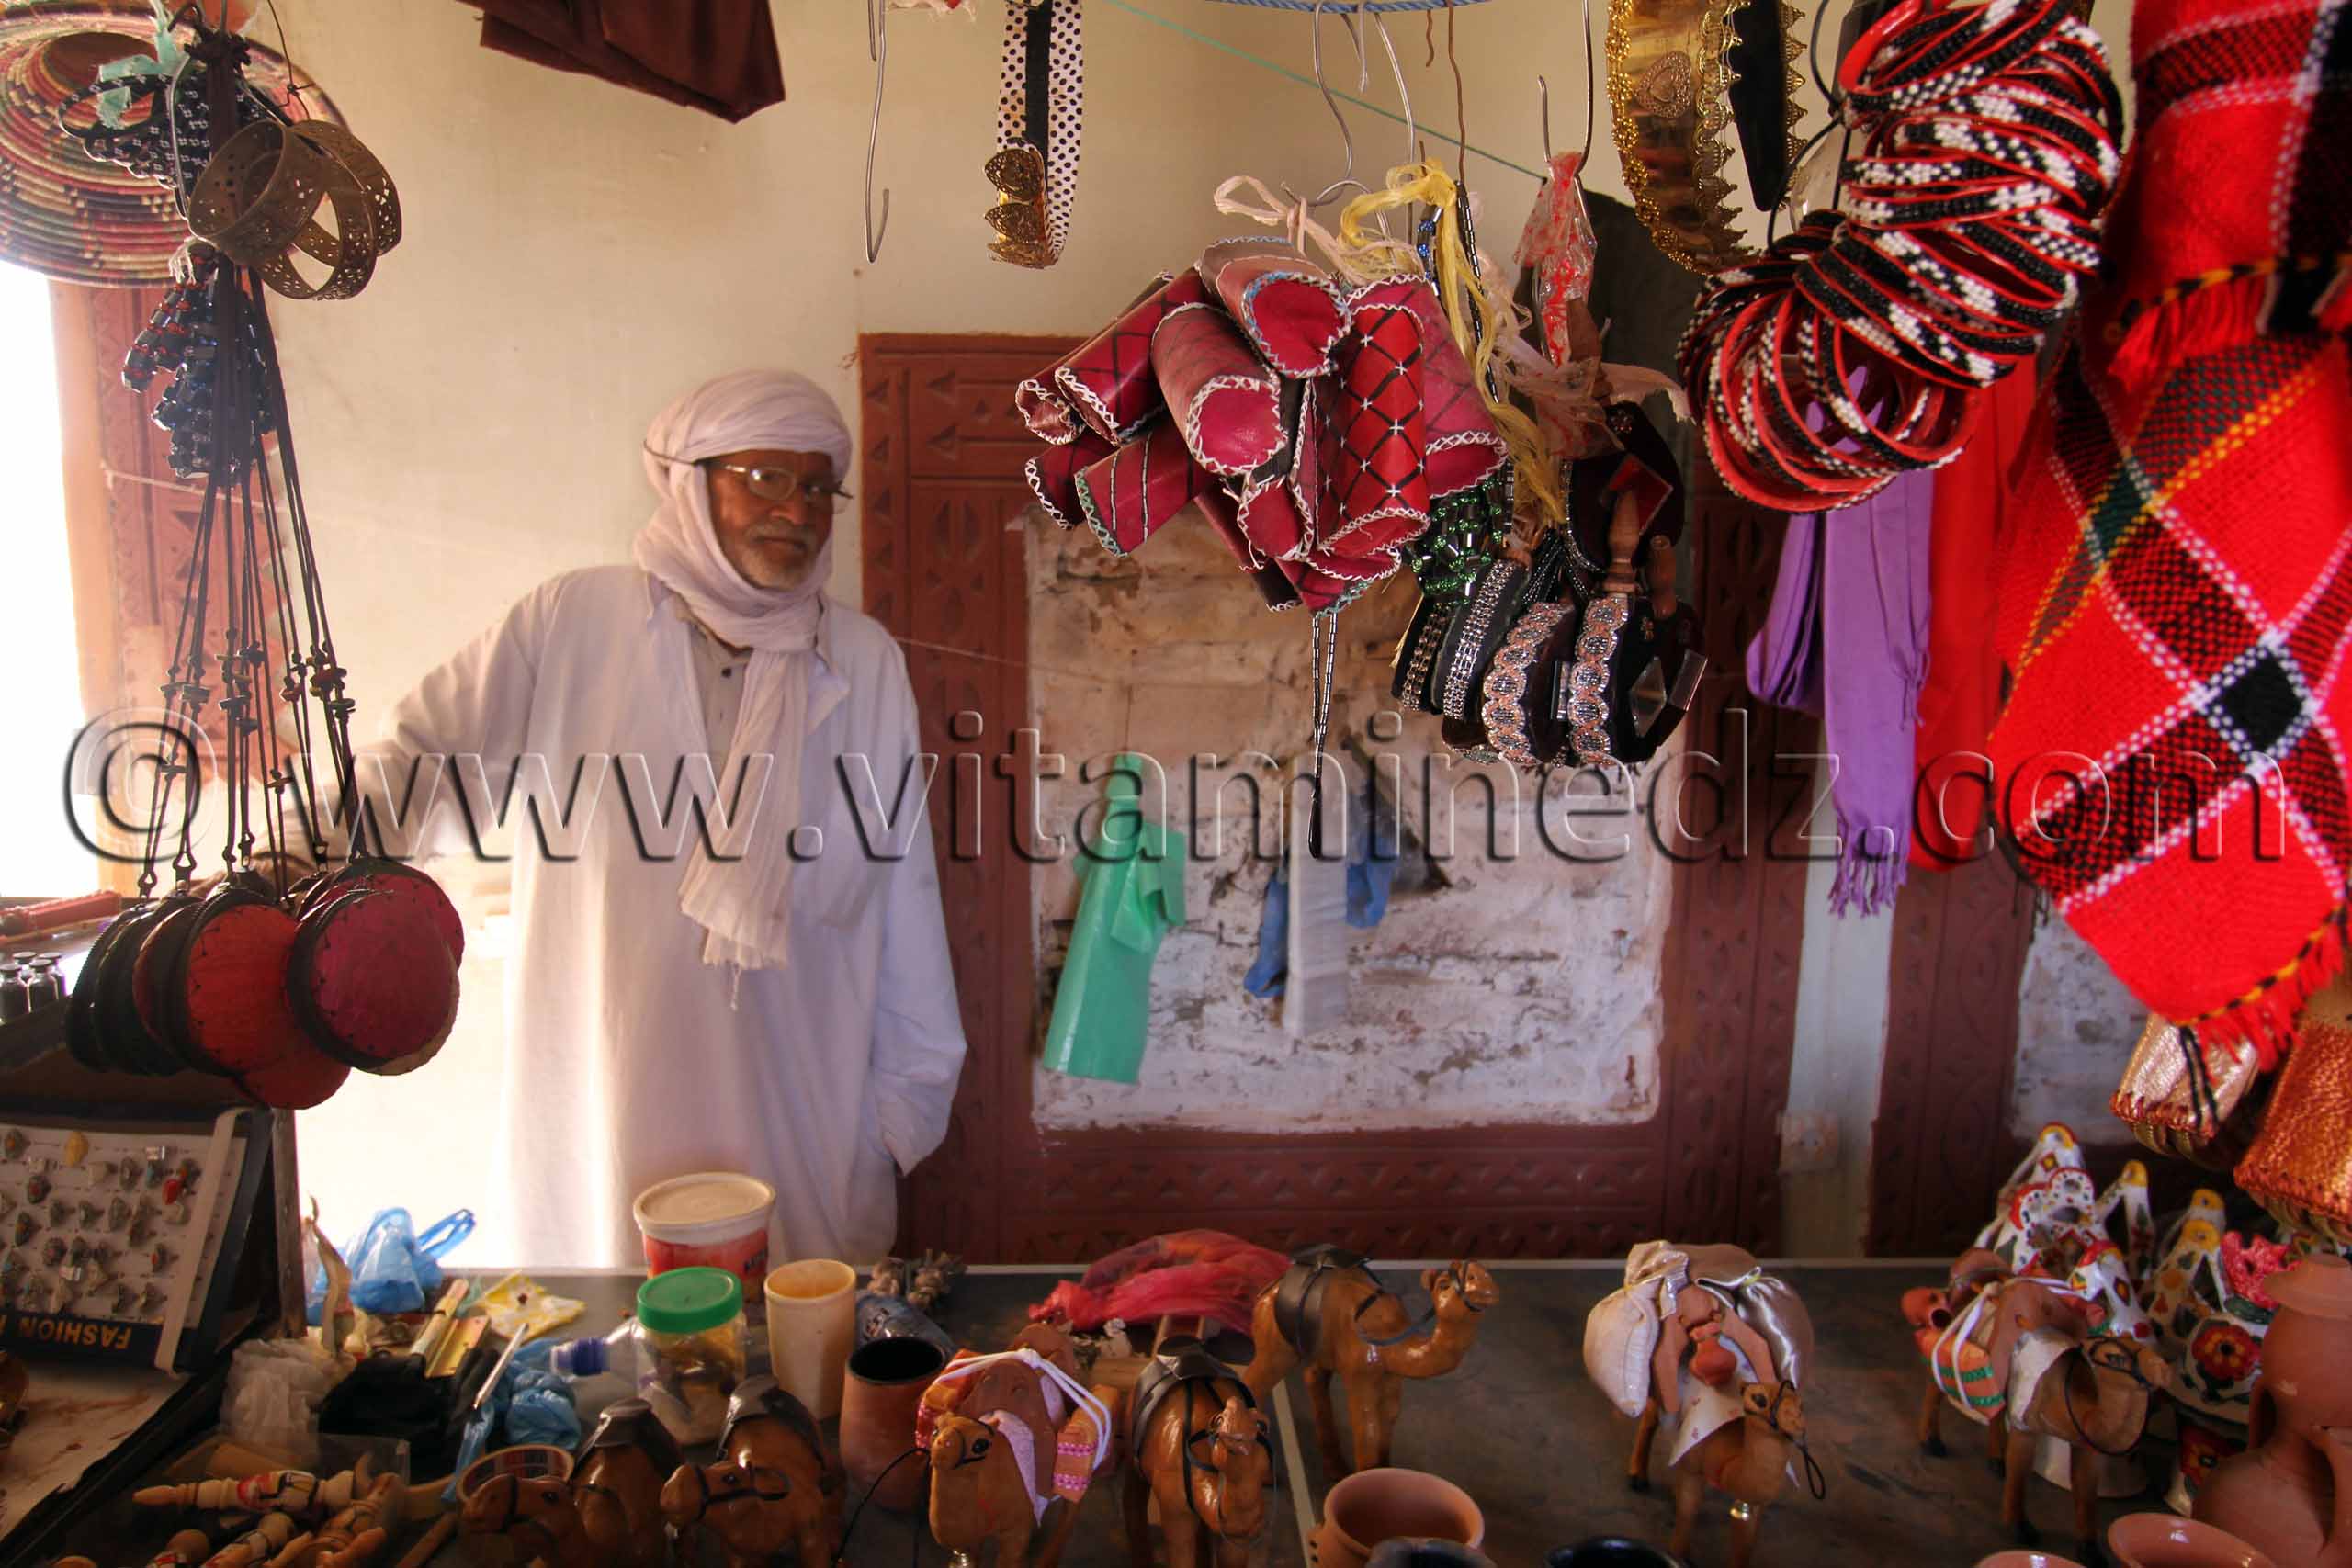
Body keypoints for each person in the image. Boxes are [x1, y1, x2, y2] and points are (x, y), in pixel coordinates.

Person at [341, 369, 967, 1267]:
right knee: (609, 1323)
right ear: (688, 482)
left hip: (802, 1110)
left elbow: (902, 890)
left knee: (792, 1337)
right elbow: (418, 765)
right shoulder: (573, 623)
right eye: (766, 477)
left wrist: (901, 1110)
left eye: (818, 486)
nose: (796, 509)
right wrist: (304, 853)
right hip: (608, 1096)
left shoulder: (861, 661)